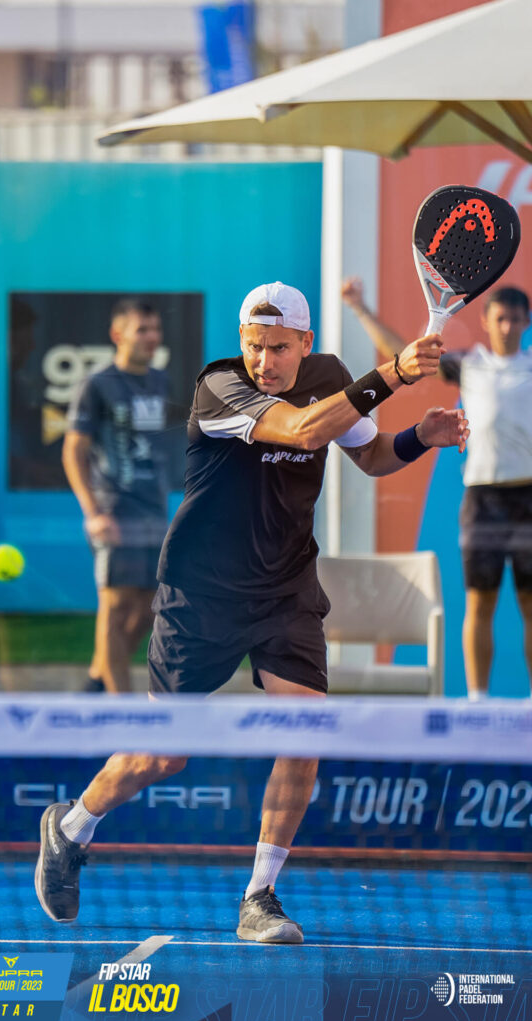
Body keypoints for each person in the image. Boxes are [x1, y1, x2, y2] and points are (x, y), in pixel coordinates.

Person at [36, 281, 468, 942]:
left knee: (304, 732)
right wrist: (395, 373)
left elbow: (370, 455)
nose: (264, 361)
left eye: (278, 348)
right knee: (162, 757)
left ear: (306, 344)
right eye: (254, 346)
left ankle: (259, 896)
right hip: (201, 592)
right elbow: (301, 429)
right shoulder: (220, 386)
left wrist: (419, 437)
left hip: (285, 588)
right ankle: (70, 828)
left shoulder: (329, 377)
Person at [341, 276, 532, 699]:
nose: (507, 327)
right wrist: (359, 307)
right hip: (483, 499)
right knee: (479, 603)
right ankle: (477, 701)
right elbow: (406, 354)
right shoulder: (470, 365)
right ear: (486, 321)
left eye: (516, 319)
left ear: (526, 322)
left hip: (528, 498)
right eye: (501, 318)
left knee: (531, 606)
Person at [62, 297, 170, 694]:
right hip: (113, 510)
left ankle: (96, 683)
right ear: (117, 334)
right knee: (115, 606)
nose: (151, 337)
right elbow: (73, 450)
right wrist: (93, 512)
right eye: (142, 330)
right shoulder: (97, 384)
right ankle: (120, 710)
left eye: (155, 329)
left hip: (154, 511)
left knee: (152, 606)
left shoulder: (161, 381)